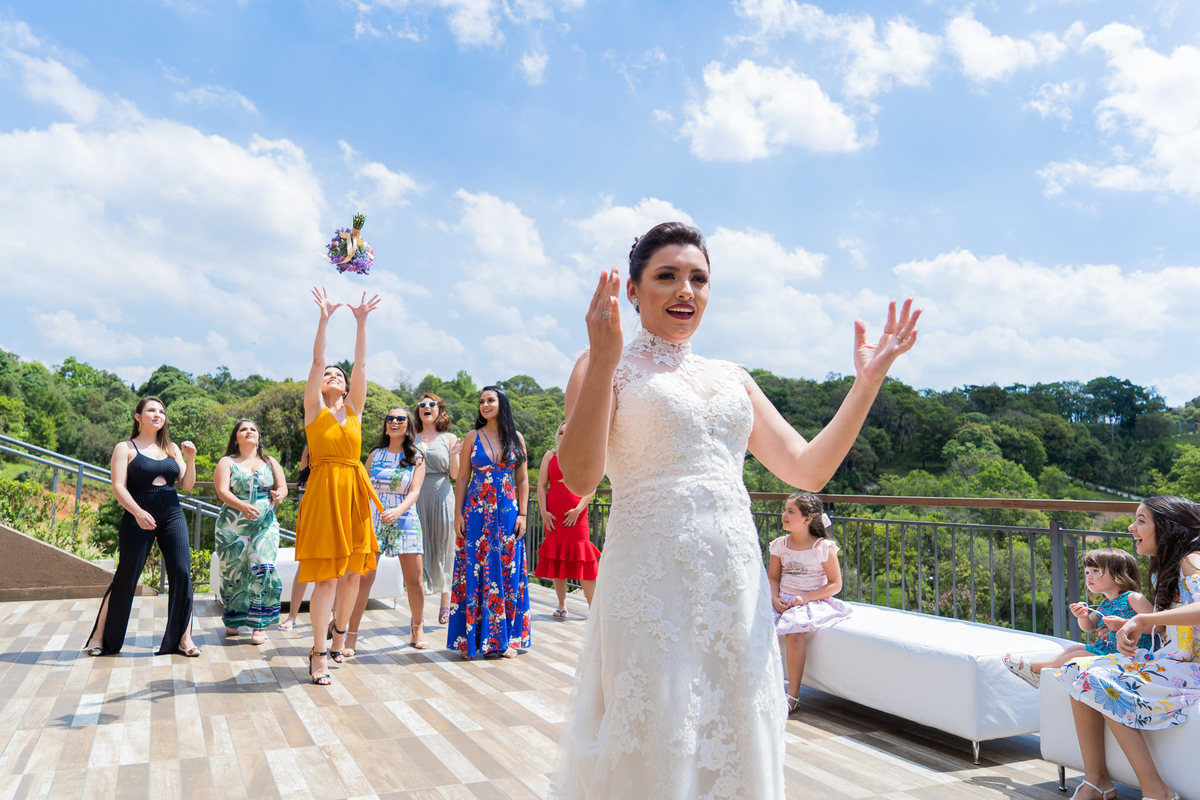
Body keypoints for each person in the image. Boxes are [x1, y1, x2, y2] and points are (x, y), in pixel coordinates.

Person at [554, 221, 919, 798]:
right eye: (667, 276)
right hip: (648, 583)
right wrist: (602, 359)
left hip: (735, 586)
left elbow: (807, 468)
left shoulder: (731, 377)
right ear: (632, 290)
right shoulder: (604, 364)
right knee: (655, 726)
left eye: (698, 278)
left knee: (737, 724)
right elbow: (578, 477)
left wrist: (868, 381)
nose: (685, 291)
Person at [1052, 495, 1200, 800]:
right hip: (1176, 661)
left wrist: (1142, 617)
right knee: (1077, 669)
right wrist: (1132, 624)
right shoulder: (1168, 568)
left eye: (1142, 520)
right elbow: (1176, 626)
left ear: (1168, 526)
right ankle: (1097, 781)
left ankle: (1156, 790)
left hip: (1193, 669)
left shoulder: (1192, 560)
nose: (1132, 527)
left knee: (1100, 679)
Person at [295, 287, 383, 685]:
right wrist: (324, 319)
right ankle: (317, 652)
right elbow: (316, 361)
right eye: (329, 374)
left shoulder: (355, 412)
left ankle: (340, 632)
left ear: (346, 389)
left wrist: (362, 323)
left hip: (353, 492)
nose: (333, 375)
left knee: (352, 575)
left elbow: (361, 365)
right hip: (323, 492)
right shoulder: (314, 411)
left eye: (339, 375)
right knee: (326, 577)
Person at [84, 396, 202, 657]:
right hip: (137, 515)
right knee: (127, 576)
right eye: (151, 410)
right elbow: (118, 487)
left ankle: (184, 638)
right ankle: (100, 637)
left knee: (182, 572)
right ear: (138, 416)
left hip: (172, 514)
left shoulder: (171, 447)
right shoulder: (125, 447)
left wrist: (190, 459)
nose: (158, 414)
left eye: (161, 411)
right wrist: (137, 512)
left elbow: (187, 486)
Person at [448, 386, 532, 659]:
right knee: (475, 568)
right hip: (476, 512)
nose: (484, 405)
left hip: (508, 512)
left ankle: (505, 640)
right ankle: (471, 641)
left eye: (490, 400)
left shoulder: (516, 437)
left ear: (501, 403)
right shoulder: (473, 436)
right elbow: (462, 478)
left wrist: (522, 514)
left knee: (508, 569)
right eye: (481, 401)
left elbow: (522, 480)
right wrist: (458, 514)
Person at [1004, 548, 1151, 687]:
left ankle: (1035, 668)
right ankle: (1040, 672)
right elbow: (1089, 626)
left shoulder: (1133, 598)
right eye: (1087, 572)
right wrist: (1082, 616)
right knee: (1074, 648)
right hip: (1109, 651)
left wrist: (1123, 624)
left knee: (1079, 655)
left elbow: (1157, 625)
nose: (1089, 576)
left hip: (1131, 655)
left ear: (1119, 574)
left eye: (1096, 571)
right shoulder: (1105, 604)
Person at [346, 406, 429, 654]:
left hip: (404, 518)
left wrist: (398, 511)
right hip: (375, 517)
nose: (394, 422)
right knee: (364, 578)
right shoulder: (376, 454)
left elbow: (414, 491)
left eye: (400, 419)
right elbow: (361, 486)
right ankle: (351, 634)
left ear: (408, 425)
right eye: (390, 418)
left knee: (414, 580)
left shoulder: (417, 456)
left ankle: (417, 625)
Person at [768, 492, 851, 712]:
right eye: (785, 510)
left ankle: (792, 693)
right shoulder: (779, 546)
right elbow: (773, 577)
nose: (784, 515)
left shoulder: (823, 548)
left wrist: (806, 597)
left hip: (810, 600)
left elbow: (835, 584)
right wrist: (774, 597)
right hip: (782, 599)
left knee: (794, 633)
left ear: (806, 520)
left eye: (790, 512)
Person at [213, 418, 288, 644]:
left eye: (253, 429)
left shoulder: (270, 461)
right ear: (236, 437)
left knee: (263, 567)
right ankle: (234, 619)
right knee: (233, 572)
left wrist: (280, 495)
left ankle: (259, 624)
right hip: (232, 526)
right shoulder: (227, 462)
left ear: (258, 436)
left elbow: (282, 486)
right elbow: (221, 491)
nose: (249, 432)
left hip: (265, 524)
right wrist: (242, 506)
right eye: (243, 429)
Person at [534, 421, 600, 616]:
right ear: (558, 436)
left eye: (568, 432)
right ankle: (562, 606)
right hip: (553, 517)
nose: (564, 435)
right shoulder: (550, 456)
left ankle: (594, 611)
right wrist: (544, 512)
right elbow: (541, 485)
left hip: (577, 516)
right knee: (556, 559)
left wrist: (578, 510)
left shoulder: (584, 455)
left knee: (584, 562)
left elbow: (592, 486)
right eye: (561, 432)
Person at [413, 393, 461, 625]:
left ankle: (445, 603)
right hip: (417, 496)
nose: (427, 407)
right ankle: (419, 601)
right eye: (422, 405)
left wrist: (455, 456)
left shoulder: (449, 438)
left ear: (440, 409)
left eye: (432, 404)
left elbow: (455, 475)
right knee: (419, 548)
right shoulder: (411, 438)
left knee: (444, 546)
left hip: (442, 495)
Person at [279, 445, 310, 631]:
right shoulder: (310, 444)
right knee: (304, 562)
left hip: (339, 503)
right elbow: (302, 482)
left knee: (338, 565)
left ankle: (337, 619)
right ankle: (292, 616)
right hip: (313, 504)